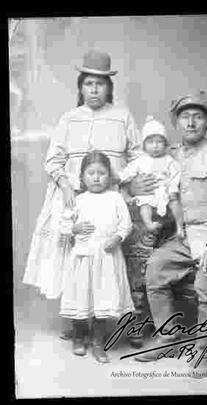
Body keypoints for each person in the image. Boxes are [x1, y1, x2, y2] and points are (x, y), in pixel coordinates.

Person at [22, 49, 140, 337]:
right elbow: (54, 159)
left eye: (100, 83)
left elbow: (137, 156)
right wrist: (64, 185)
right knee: (76, 259)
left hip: (114, 197)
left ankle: (126, 324)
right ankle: (77, 321)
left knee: (118, 259)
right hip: (76, 198)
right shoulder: (69, 118)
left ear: (109, 87)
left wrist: (117, 178)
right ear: (80, 87)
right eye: (88, 83)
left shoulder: (122, 116)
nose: (94, 89)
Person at [134, 91, 207, 376]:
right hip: (185, 237)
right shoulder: (166, 155)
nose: (191, 122)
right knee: (155, 268)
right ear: (176, 122)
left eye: (198, 116)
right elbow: (140, 183)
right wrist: (134, 189)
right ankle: (168, 336)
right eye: (185, 117)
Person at [59, 151, 134, 361]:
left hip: (107, 257)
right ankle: (79, 336)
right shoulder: (78, 200)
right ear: (82, 177)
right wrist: (74, 228)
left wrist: (117, 238)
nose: (96, 177)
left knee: (102, 299)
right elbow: (63, 225)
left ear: (109, 176)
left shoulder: (115, 198)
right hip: (84, 257)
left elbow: (126, 224)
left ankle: (98, 342)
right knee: (82, 296)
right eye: (90, 173)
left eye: (101, 173)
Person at [118, 116, 185, 237]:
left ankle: (179, 227)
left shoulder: (169, 160)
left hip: (165, 190)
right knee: (145, 205)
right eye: (150, 142)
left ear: (165, 144)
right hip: (148, 192)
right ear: (144, 145)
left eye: (159, 142)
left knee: (175, 203)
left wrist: (173, 188)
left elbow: (176, 174)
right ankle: (148, 223)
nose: (155, 146)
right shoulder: (140, 161)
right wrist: (119, 178)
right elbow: (128, 173)